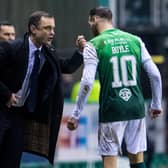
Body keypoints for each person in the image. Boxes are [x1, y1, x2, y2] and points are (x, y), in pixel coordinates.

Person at [67, 7, 162, 168]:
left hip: (112, 108)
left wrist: (76, 114)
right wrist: (156, 104)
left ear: (94, 19)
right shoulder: (135, 40)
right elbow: (155, 74)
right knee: (137, 159)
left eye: (90, 22)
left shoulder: (94, 45)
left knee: (110, 162)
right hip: (135, 106)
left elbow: (87, 82)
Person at [0, 11, 85, 168]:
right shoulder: (13, 47)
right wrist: (6, 94)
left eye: (53, 28)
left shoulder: (47, 52)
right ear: (33, 29)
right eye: (47, 28)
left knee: (11, 162)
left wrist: (80, 51)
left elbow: (66, 66)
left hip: (19, 115)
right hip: (2, 109)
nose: (52, 33)